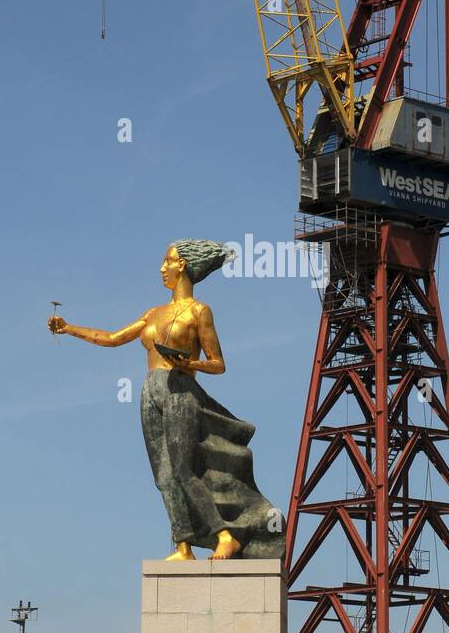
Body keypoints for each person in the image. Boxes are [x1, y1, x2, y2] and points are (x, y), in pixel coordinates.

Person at [48, 240, 284, 561]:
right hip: (150, 391)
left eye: (167, 262)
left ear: (182, 265)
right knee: (163, 475)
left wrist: (189, 364)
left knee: (185, 471)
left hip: (180, 390)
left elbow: (218, 363)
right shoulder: (153, 313)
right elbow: (114, 338)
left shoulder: (200, 312)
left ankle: (225, 535)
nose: (162, 269)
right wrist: (68, 328)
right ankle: (183, 545)